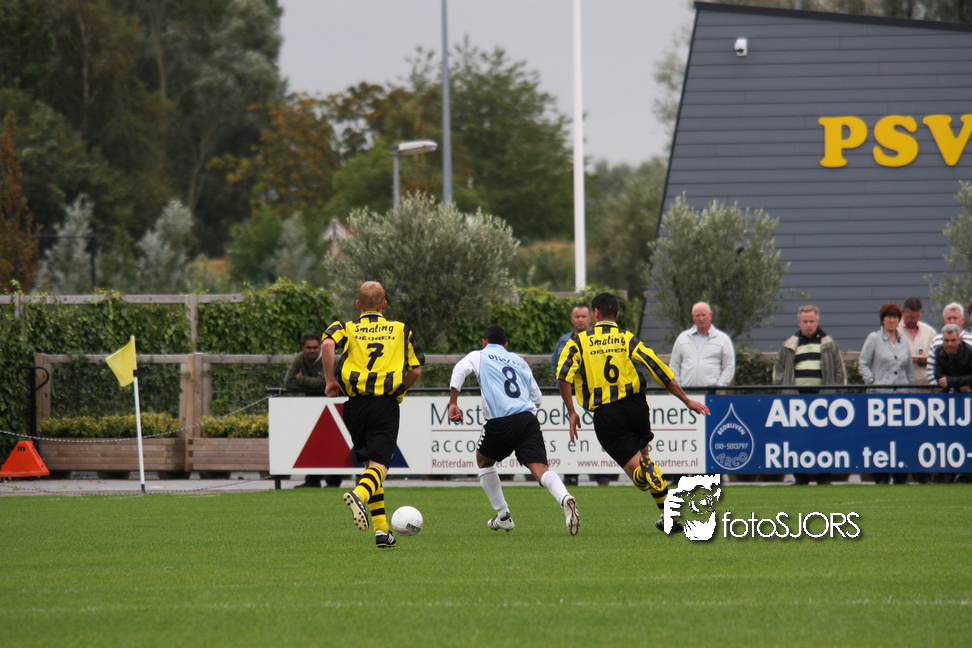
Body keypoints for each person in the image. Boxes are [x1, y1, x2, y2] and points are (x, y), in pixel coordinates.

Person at [555, 292, 710, 535]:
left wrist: (571, 411)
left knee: (638, 473)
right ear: (617, 314)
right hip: (637, 406)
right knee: (645, 461)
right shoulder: (627, 339)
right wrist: (686, 399)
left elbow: (563, 375)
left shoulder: (578, 342)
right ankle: (668, 517)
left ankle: (661, 499)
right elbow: (658, 368)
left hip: (608, 413)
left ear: (595, 314)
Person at [449, 324, 580, 535]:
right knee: (541, 470)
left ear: (484, 342)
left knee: (483, 461)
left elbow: (459, 370)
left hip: (500, 422)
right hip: (528, 420)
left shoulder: (479, 355)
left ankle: (503, 516)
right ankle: (565, 497)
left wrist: (453, 402)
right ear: (506, 345)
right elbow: (537, 398)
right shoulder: (520, 361)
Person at [322, 281, 424, 549]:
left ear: (358, 305)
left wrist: (330, 380)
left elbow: (327, 345)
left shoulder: (346, 327)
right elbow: (415, 370)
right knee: (380, 467)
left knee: (371, 466)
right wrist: (400, 390)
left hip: (354, 406)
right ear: (384, 305)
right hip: (384, 405)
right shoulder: (401, 329)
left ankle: (382, 531)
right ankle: (359, 494)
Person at [772, 305, 846, 485]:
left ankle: (824, 475)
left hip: (823, 399)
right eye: (805, 321)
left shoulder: (829, 344)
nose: (808, 324)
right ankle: (800, 476)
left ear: (817, 322)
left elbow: (839, 370)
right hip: (796, 399)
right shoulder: (789, 345)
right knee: (797, 438)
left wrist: (836, 392)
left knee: (825, 438)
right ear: (799, 322)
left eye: (811, 321)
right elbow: (778, 371)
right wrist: (783, 391)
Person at [551, 303, 606, 486]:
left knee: (599, 435)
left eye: (583, 316)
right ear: (572, 319)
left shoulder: (599, 338)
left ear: (591, 318)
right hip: (570, 396)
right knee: (571, 436)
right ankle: (571, 476)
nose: (580, 320)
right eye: (577, 316)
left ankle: (602, 476)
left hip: (593, 395)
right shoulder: (563, 341)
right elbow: (555, 366)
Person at [860, 302, 915, 485]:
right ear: (882, 319)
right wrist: (873, 383)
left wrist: (912, 392)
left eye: (895, 317)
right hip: (881, 398)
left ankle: (900, 476)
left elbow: (909, 370)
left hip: (902, 397)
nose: (892, 320)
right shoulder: (873, 339)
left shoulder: (903, 341)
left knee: (902, 438)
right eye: (889, 317)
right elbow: (863, 364)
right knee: (881, 439)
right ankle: (881, 476)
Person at [284, 333, 342, 488]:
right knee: (314, 444)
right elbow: (288, 383)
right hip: (311, 408)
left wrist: (301, 379)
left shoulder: (332, 359)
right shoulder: (299, 359)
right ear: (303, 348)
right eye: (309, 348)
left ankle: (334, 481)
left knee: (336, 443)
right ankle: (312, 480)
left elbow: (324, 383)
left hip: (335, 407)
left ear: (320, 348)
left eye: (315, 347)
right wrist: (314, 384)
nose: (312, 350)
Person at [933, 323, 972, 483]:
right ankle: (947, 473)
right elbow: (938, 375)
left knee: (966, 437)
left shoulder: (969, 352)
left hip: (967, 401)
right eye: (946, 340)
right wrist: (958, 384)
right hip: (947, 402)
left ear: (959, 340)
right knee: (947, 436)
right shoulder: (939, 352)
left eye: (953, 340)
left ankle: (966, 473)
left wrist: (951, 382)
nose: (949, 344)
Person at [668, 301, 736, 390]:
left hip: (711, 394)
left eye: (704, 315)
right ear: (693, 317)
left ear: (710, 315)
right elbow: (674, 365)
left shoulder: (723, 339)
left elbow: (729, 367)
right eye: (697, 315)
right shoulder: (683, 338)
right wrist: (679, 388)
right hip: (686, 393)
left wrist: (718, 388)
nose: (701, 318)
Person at [926, 303, 972, 383]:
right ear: (944, 321)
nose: (952, 321)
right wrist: (938, 386)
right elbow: (930, 369)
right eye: (948, 318)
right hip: (942, 388)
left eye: (955, 318)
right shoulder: (936, 340)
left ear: (963, 320)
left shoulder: (970, 339)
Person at [897, 297, 937, 386]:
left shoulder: (930, 332)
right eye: (910, 317)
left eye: (916, 317)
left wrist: (927, 359)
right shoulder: (894, 331)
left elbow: (938, 358)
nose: (913, 320)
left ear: (920, 313)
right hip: (901, 385)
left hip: (925, 385)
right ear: (902, 312)